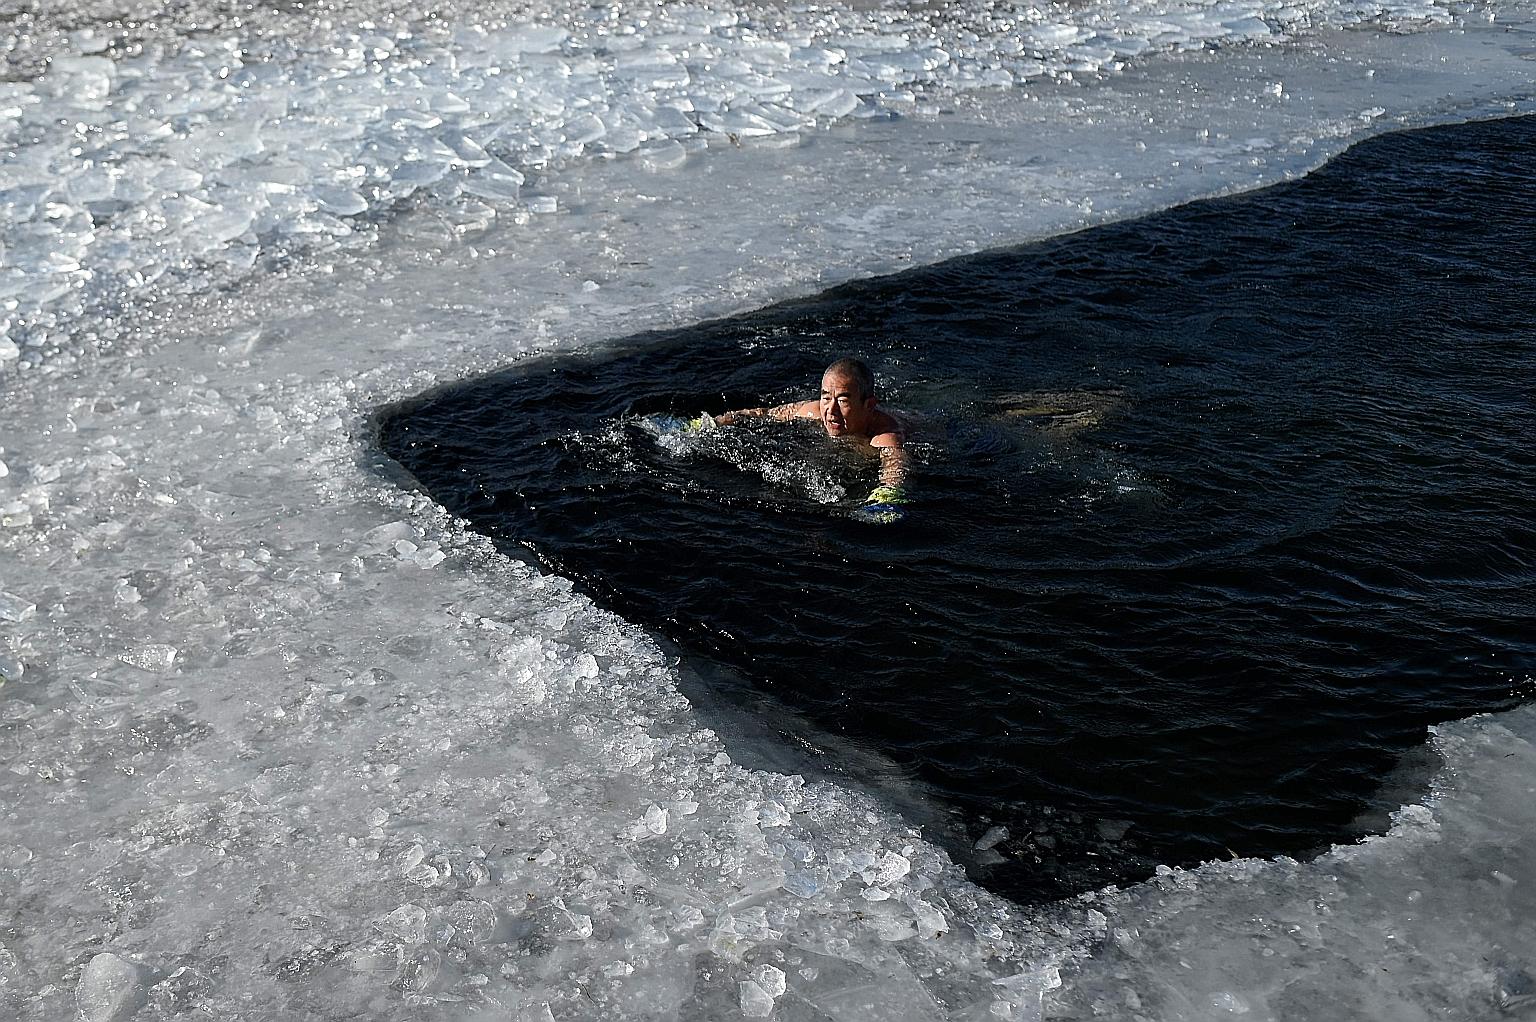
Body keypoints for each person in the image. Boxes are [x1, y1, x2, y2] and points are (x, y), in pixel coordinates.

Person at [706, 357, 911, 515]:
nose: (831, 410)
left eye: (842, 401)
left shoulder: (884, 435)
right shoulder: (813, 412)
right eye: (826, 398)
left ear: (869, 405)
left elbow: (894, 467)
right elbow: (767, 413)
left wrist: (886, 498)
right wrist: (717, 421)